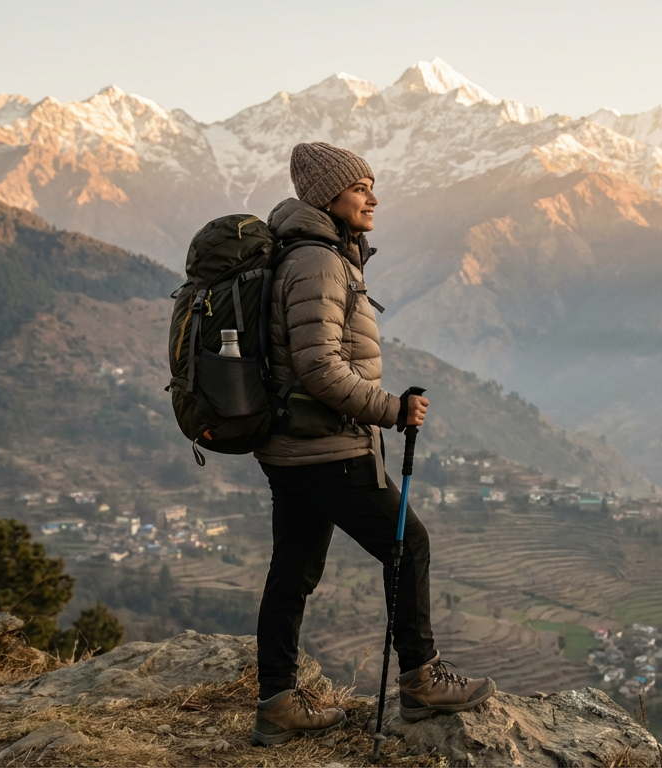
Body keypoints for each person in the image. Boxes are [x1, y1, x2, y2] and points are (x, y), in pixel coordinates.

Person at [249, 142, 495, 747]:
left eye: (371, 184)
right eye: (360, 187)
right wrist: (392, 411)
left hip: (292, 448)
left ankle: (277, 703)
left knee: (292, 574)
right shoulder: (318, 263)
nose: (372, 197)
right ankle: (421, 680)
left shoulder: (308, 255)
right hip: (329, 449)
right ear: (326, 197)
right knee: (409, 545)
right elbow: (321, 369)